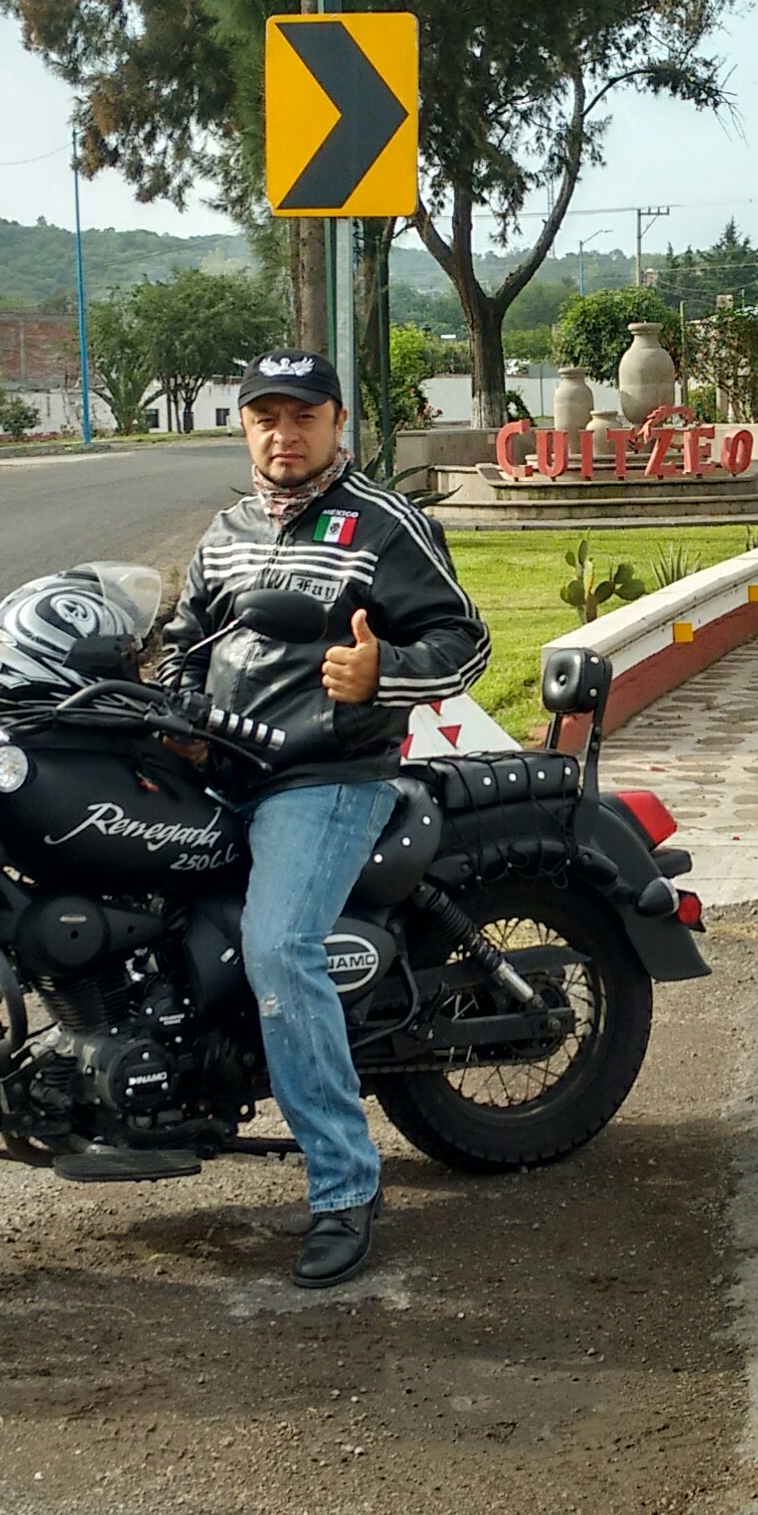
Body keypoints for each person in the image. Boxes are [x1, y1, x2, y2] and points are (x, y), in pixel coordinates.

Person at [158, 348, 490, 1288]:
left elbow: (466, 641)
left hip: (325, 775)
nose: (283, 434)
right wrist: (178, 713)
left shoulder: (381, 522)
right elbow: (185, 642)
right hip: (222, 769)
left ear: (339, 422)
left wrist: (383, 672)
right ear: (243, 426)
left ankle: (344, 1185)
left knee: (278, 945)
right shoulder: (226, 531)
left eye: (303, 415)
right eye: (265, 416)